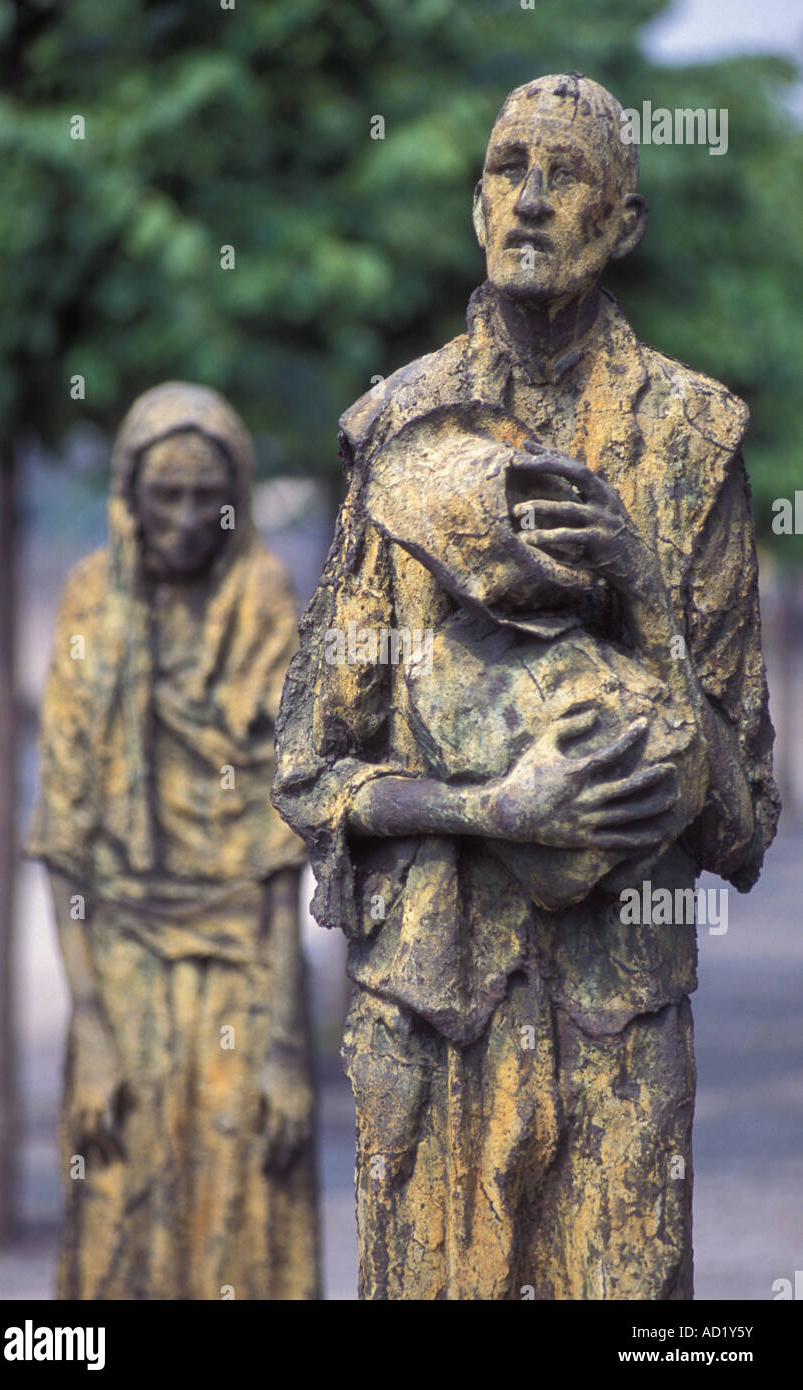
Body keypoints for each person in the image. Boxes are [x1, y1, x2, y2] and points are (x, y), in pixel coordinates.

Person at [272, 74, 779, 1300]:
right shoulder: (398, 431)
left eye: (568, 174)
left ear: (626, 222)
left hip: (621, 1025)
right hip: (431, 1017)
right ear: (474, 205)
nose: (535, 200)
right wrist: (494, 812)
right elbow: (310, 773)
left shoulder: (693, 439)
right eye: (509, 168)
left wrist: (643, 595)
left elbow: (743, 829)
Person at [30, 381, 319, 1300]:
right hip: (117, 963)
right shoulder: (92, 602)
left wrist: (282, 1048)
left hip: (243, 959)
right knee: (120, 1198)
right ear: (131, 496)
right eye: (167, 496)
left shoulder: (263, 597)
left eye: (208, 496)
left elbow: (280, 845)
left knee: (247, 1200)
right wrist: (90, 1026)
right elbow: (64, 837)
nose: (188, 518)